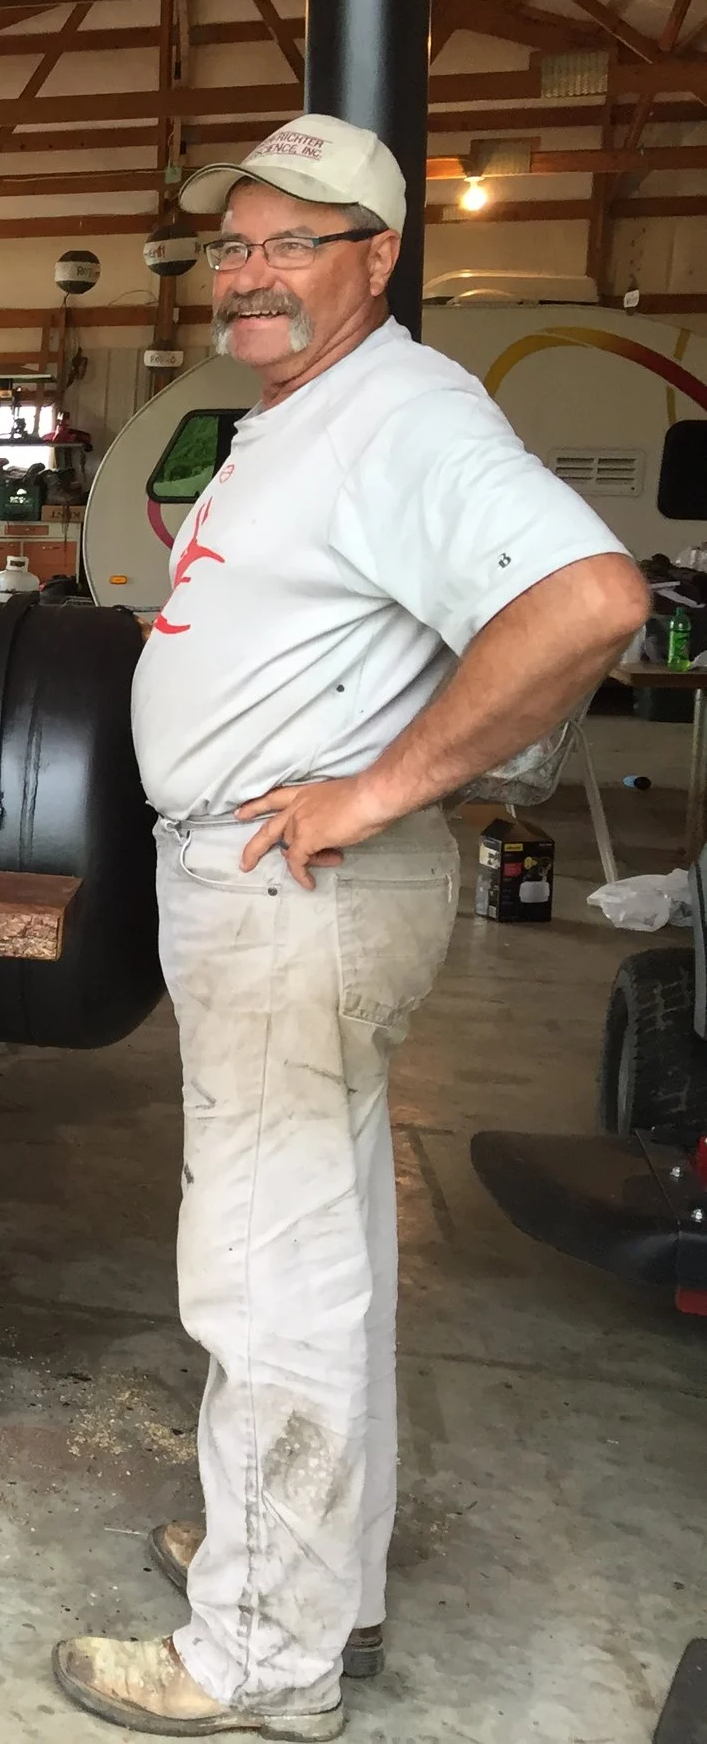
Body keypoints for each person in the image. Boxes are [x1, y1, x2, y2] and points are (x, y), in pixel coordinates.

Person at [53, 117, 651, 1737]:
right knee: (324, 1250)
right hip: (264, 890)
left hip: (295, 890)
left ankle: (260, 1652)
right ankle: (315, 1573)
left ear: (378, 259)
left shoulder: (402, 412)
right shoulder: (301, 412)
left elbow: (590, 599)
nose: (249, 275)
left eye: (292, 245)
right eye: (233, 246)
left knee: (266, 1279)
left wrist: (378, 786)